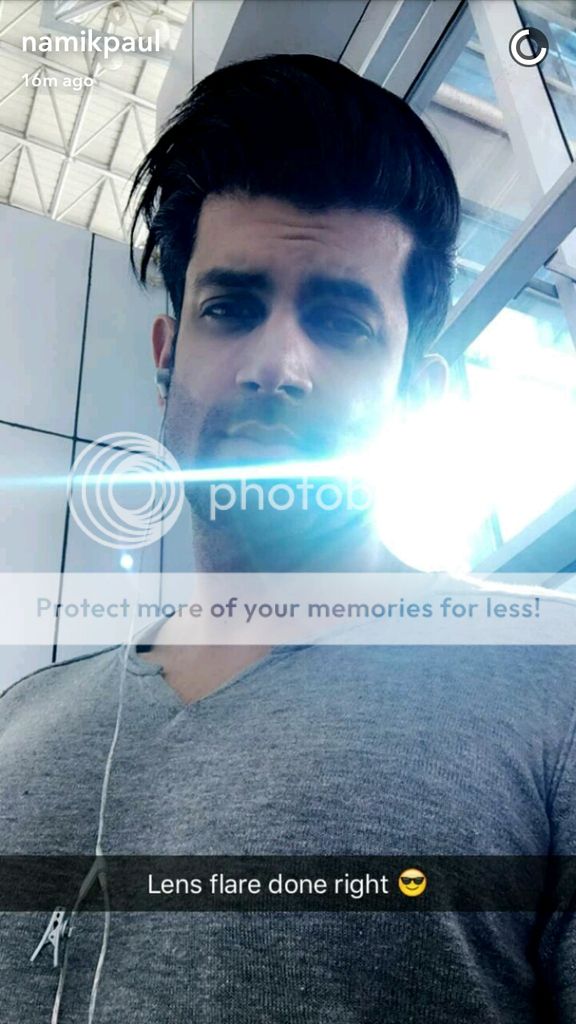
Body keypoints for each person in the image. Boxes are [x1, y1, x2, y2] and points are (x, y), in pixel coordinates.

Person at [1, 53, 575, 1023]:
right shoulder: (21, 723)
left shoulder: (552, 689)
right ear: (167, 357)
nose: (277, 363)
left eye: (342, 323)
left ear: (417, 396)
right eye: (230, 308)